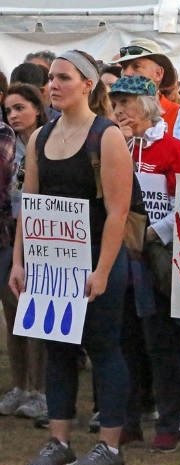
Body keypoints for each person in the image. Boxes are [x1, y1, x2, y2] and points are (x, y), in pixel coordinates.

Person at [12, 50, 133, 465]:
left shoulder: (107, 136)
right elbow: (30, 204)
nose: (53, 85)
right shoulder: (41, 138)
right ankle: (59, 440)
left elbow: (118, 210)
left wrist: (101, 270)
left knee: (104, 348)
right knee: (58, 349)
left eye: (63, 77)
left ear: (87, 84)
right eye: (51, 78)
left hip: (99, 259)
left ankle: (110, 446)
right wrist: (19, 262)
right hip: (51, 264)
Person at [107, 75, 180, 452]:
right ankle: (129, 419)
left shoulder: (173, 148)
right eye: (116, 103)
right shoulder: (112, 146)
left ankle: (169, 421)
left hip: (155, 260)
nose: (120, 110)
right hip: (117, 260)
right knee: (123, 342)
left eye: (126, 102)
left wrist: (154, 233)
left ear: (146, 105)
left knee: (161, 344)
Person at [0, 83, 49, 420]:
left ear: (37, 107)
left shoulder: (51, 141)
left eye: (20, 108)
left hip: (46, 235)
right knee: (12, 312)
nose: (13, 115)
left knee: (37, 315)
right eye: (8, 110)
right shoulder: (8, 144)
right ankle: (19, 386)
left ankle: (41, 390)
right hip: (11, 234)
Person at [116, 39, 180, 136]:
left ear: (158, 73)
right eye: (124, 67)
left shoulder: (179, 114)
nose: (127, 73)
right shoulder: (112, 115)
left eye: (136, 67)